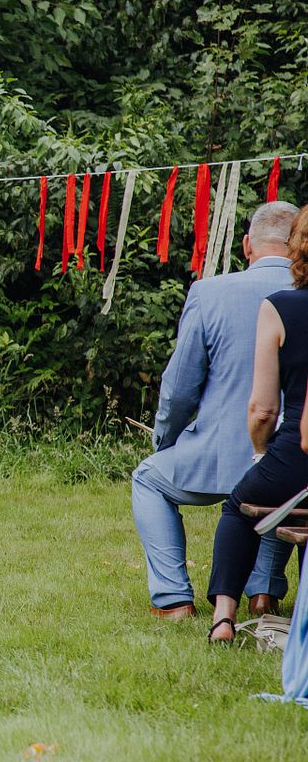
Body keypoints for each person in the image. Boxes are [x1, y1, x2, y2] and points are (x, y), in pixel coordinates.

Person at [133, 202, 300, 621]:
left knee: (149, 478)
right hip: (291, 460)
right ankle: (263, 591)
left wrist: (167, 440)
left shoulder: (209, 292)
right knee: (281, 480)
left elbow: (180, 388)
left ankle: (173, 597)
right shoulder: (302, 297)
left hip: (216, 455)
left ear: (246, 245)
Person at [207, 205, 308, 643]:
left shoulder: (279, 307)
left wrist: (261, 452)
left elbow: (263, 410)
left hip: (296, 453)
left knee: (238, 507)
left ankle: (224, 618)